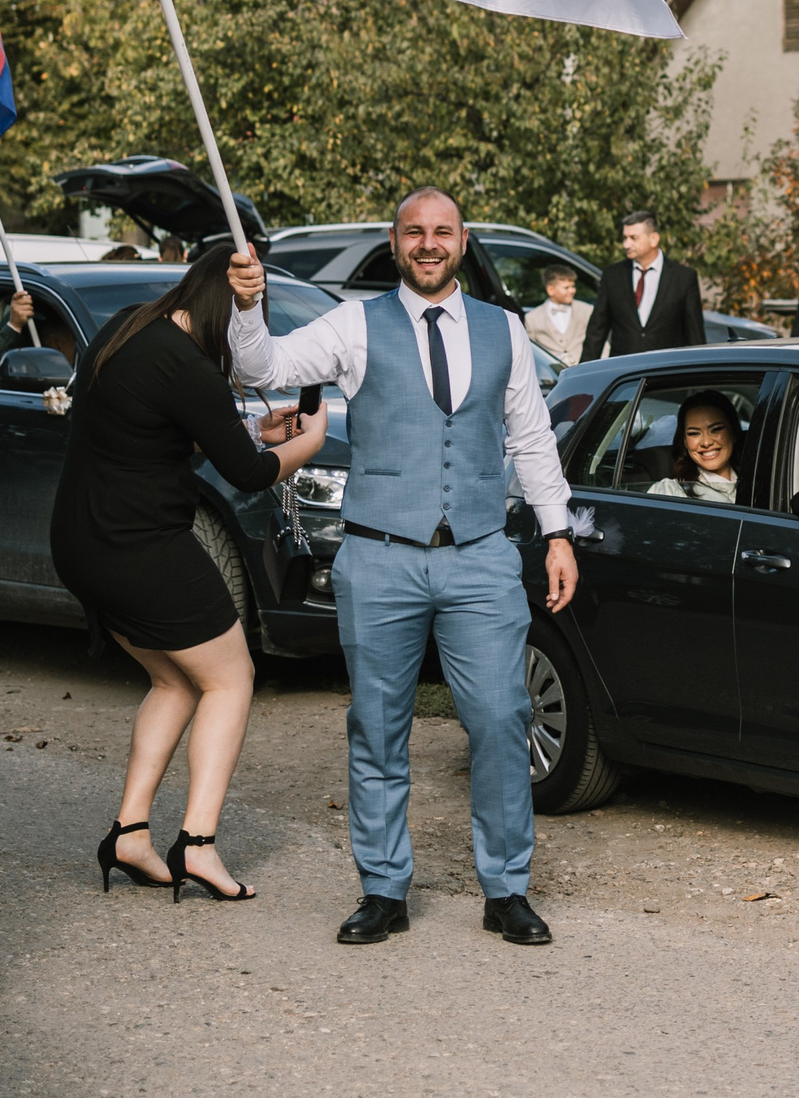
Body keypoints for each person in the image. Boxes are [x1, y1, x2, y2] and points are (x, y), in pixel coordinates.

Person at [224, 187, 579, 949]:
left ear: (462, 241)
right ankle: (383, 888)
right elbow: (265, 365)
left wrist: (557, 532)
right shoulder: (356, 323)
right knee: (377, 727)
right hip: (379, 557)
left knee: (500, 718)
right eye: (414, 231)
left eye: (441, 231)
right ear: (395, 241)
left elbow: (532, 439)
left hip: (482, 556)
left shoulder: (504, 329)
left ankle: (507, 887)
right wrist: (248, 303)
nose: (428, 243)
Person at [51, 245, 329, 903]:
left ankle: (131, 833)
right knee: (232, 678)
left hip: (80, 540)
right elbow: (251, 473)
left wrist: (252, 429)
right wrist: (307, 440)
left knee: (175, 679)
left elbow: (155, 425)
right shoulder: (191, 369)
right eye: (246, 325)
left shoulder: (126, 327)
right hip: (140, 545)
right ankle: (198, 845)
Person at [581, 209, 705, 358]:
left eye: (633, 238)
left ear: (654, 239)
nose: (626, 244)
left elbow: (695, 336)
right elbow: (596, 332)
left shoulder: (683, 277)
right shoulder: (612, 276)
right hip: (624, 373)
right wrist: (583, 375)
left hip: (667, 372)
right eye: (624, 238)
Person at [647, 392, 741, 505]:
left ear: (733, 432)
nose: (706, 442)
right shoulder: (669, 492)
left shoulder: (761, 484)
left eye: (716, 429)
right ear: (685, 441)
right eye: (694, 433)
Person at [523, 264, 592, 369]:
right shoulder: (532, 318)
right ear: (550, 290)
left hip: (584, 370)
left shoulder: (587, 310)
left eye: (573, 286)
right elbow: (530, 353)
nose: (572, 291)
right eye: (566, 288)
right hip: (551, 377)